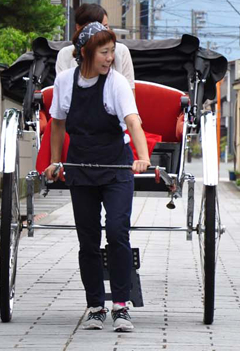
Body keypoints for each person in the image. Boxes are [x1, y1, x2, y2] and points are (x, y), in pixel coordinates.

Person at [44, 21, 150, 332]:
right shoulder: (65, 81)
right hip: (80, 167)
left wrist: (142, 158)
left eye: (112, 52)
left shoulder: (115, 82)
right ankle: (95, 306)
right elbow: (58, 124)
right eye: (105, 52)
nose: (110, 58)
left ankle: (120, 305)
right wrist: (54, 161)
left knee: (117, 232)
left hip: (116, 166)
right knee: (87, 239)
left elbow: (133, 121)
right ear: (87, 53)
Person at [56, 4, 135, 94]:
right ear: (78, 28)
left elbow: (129, 96)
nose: (102, 33)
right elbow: (62, 98)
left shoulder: (121, 54)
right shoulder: (65, 56)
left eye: (105, 27)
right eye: (94, 28)